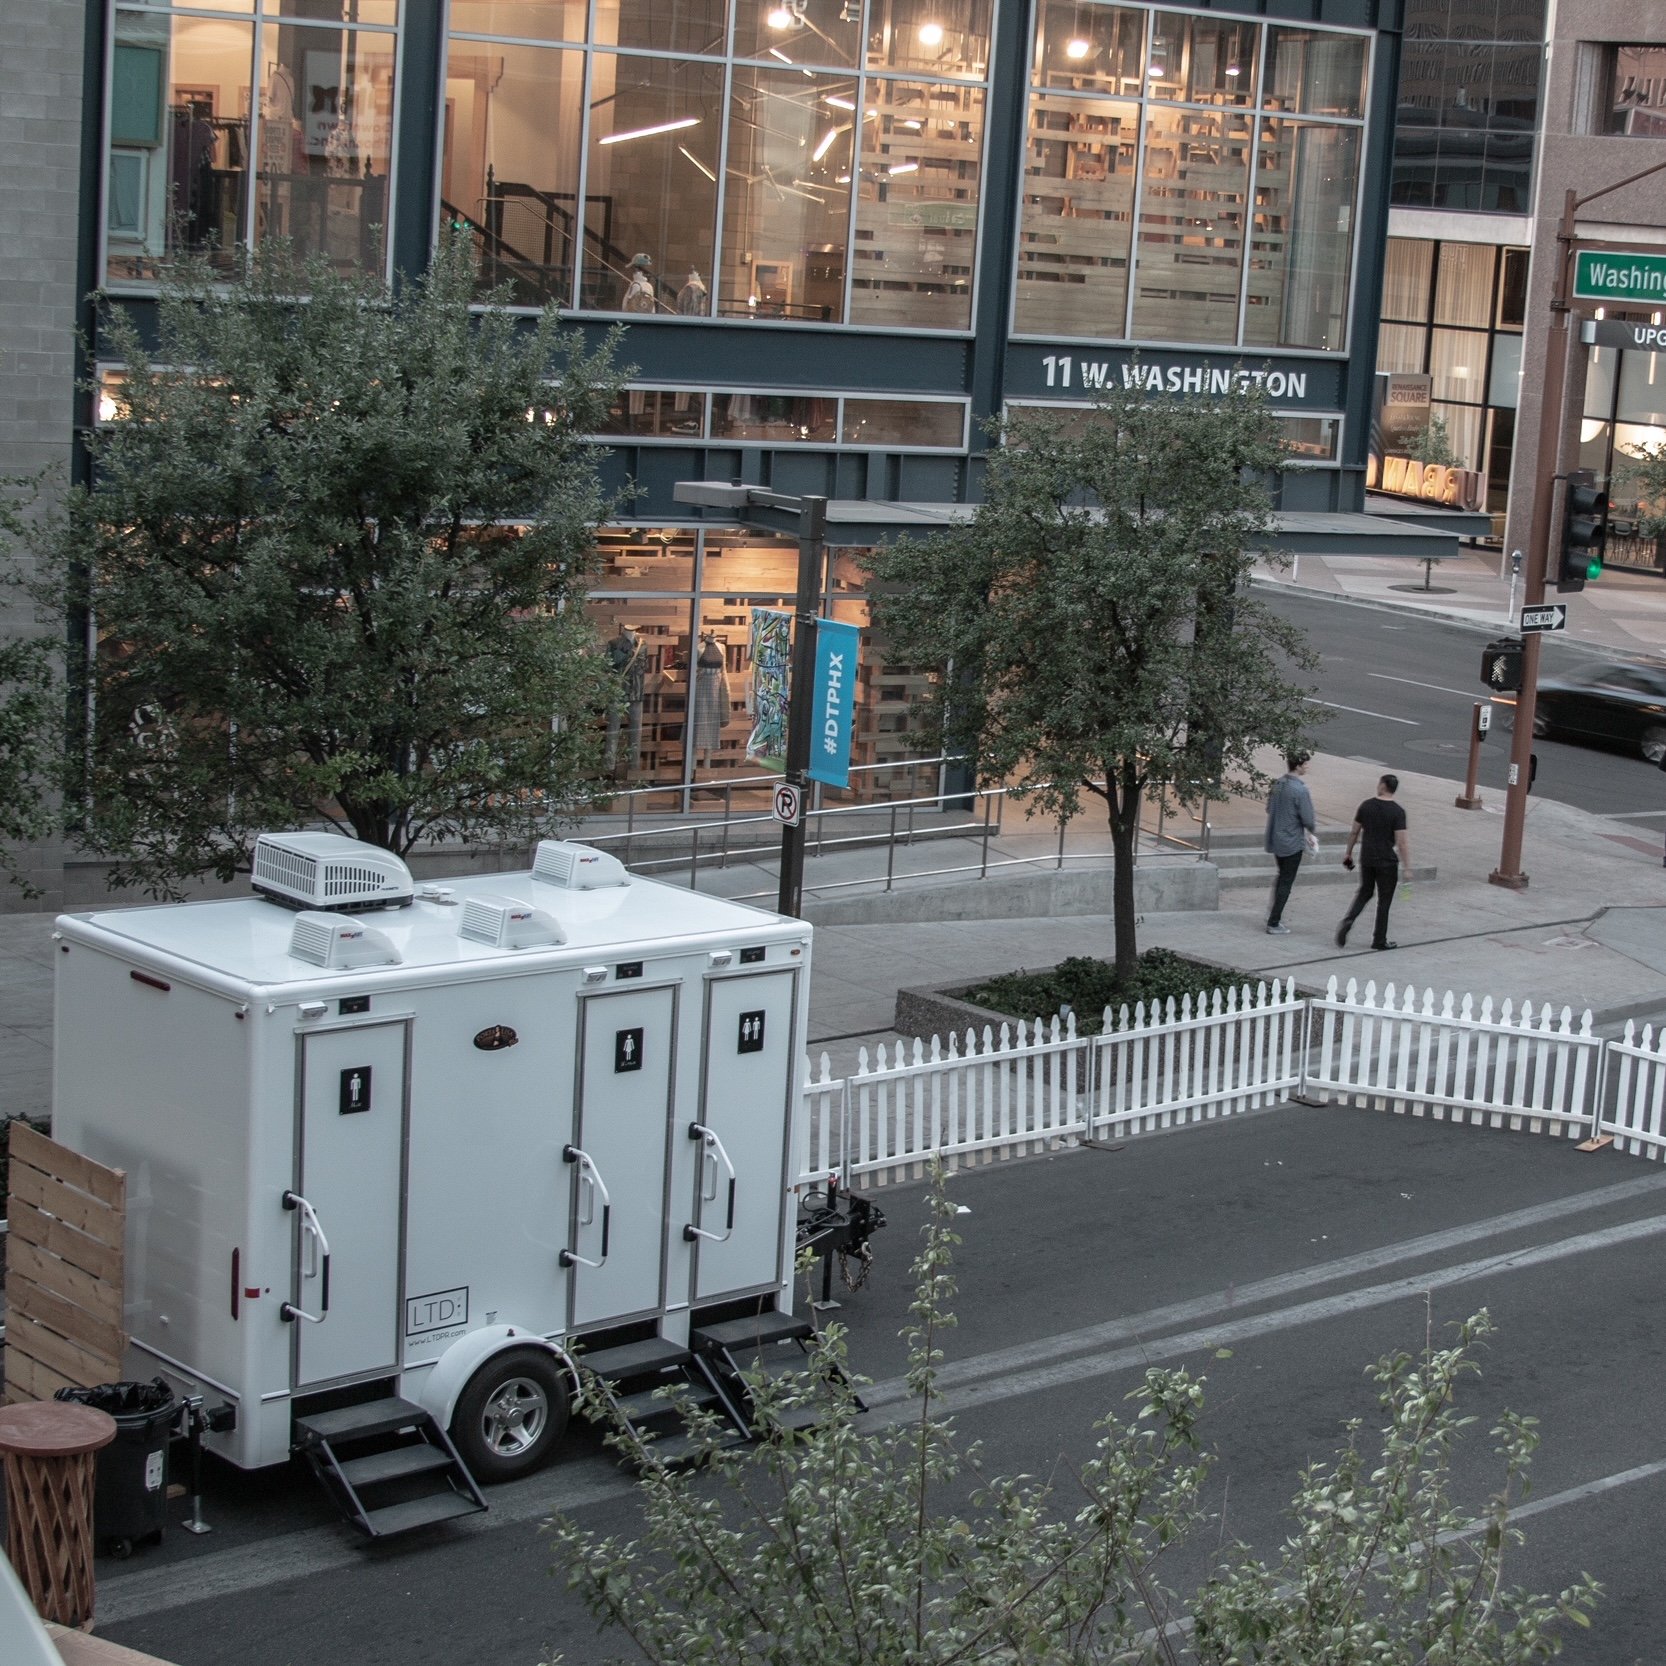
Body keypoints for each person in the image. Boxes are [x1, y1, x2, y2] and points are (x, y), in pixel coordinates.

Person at [1336, 774, 1411, 950]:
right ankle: (1379, 939)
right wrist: (1407, 867)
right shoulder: (1398, 812)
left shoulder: (1366, 806)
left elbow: (1354, 831)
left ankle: (1349, 919)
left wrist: (1348, 853)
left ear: (1383, 786)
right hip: (1387, 861)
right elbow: (1402, 842)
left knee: (1365, 892)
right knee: (1384, 901)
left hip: (1367, 857)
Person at [1263, 750, 1318, 934]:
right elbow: (1308, 818)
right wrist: (1310, 832)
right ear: (1299, 765)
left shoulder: (1278, 784)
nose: (1307, 767)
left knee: (1282, 876)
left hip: (1276, 838)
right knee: (1287, 880)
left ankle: (1273, 912)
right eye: (1306, 764)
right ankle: (1274, 921)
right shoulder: (1300, 790)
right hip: (1292, 840)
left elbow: (1269, 808)